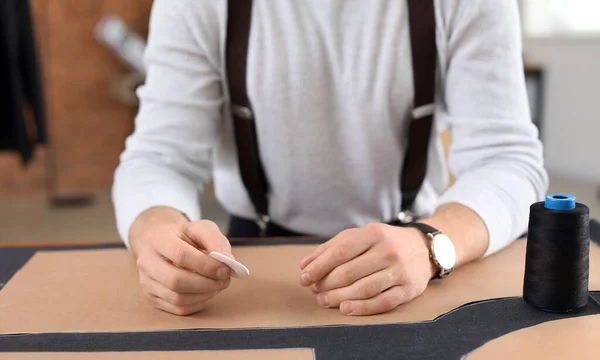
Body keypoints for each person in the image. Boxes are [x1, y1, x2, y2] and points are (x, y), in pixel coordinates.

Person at [112, 0, 548, 317]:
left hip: (415, 255)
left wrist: (433, 244)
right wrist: (157, 233)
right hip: (252, 264)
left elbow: (507, 158)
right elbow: (159, 156)